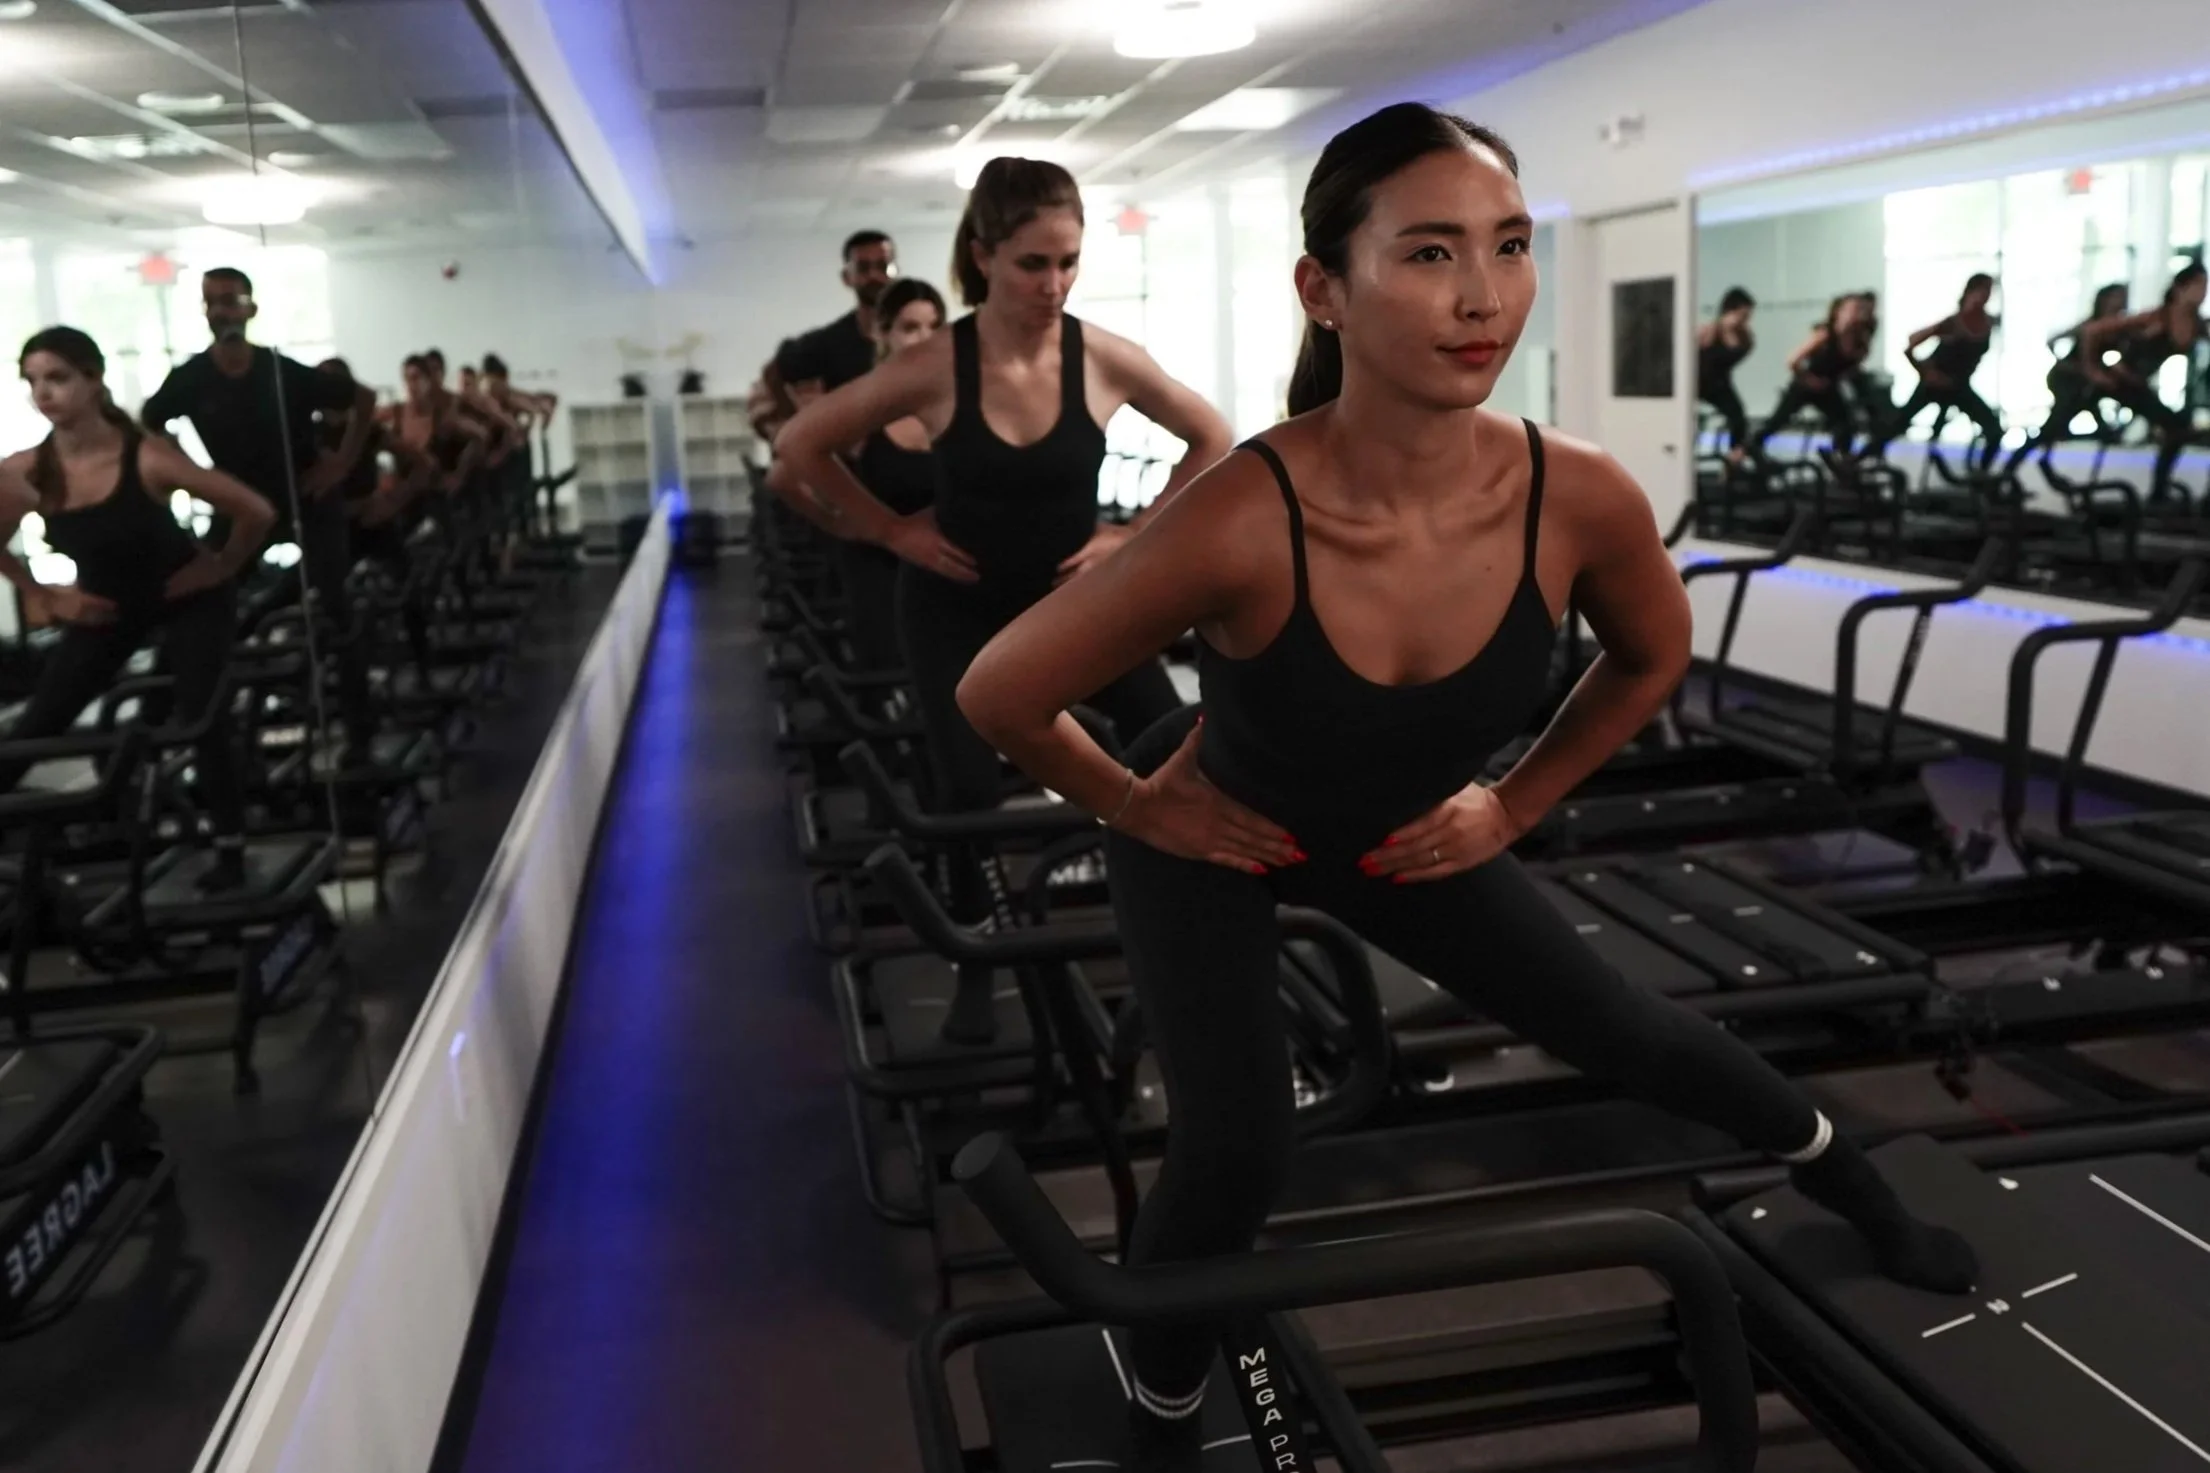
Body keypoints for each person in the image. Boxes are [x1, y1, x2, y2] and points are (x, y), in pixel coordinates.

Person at [950, 103, 1977, 1471]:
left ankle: (1861, 1190)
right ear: (1325, 288)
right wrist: (1137, 805)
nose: (1482, 295)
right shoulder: (1244, 510)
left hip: (1404, 838)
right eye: (1429, 253)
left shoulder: (1575, 494)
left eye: (1508, 246)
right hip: (1214, 837)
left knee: (1635, 1033)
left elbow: (1648, 656)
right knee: (1236, 1150)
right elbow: (999, 692)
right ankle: (1161, 1415)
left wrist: (1514, 802)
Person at [774, 159, 1233, 1044]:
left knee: (1176, 742)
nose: (1054, 284)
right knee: (966, 790)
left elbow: (1212, 435)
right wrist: (889, 531)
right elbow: (801, 445)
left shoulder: (1101, 356)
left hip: (1073, 608)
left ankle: (1186, 927)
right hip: (955, 606)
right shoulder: (936, 364)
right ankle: (977, 961)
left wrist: (1133, 536)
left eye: (1068, 262)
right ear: (983, 257)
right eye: (1032, 264)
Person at [2, 328, 276, 888]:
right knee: (38, 725)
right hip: (105, 608)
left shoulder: (146, 456)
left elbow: (256, 511)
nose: (43, 393)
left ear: (94, 380)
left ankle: (230, 848)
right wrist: (46, 594)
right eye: (32, 381)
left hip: (187, 599)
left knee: (201, 717)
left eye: (57, 378)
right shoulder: (27, 469)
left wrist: (220, 566)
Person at [142, 266, 380, 748]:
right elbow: (149, 423)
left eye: (230, 300)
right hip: (241, 507)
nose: (221, 311)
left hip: (305, 499)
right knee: (198, 596)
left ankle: (361, 730)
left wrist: (340, 463)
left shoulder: (280, 370)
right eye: (212, 301)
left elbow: (363, 398)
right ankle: (159, 724)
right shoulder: (190, 378)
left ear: (250, 308)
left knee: (335, 605)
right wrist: (197, 476)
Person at [769, 277, 947, 673]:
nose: (924, 338)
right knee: (896, 678)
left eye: (934, 326)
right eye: (910, 327)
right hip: (882, 577)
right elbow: (783, 473)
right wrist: (846, 525)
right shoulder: (867, 405)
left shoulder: (955, 403)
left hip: (946, 575)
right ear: (884, 334)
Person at [754, 230, 901, 441]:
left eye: (883, 266)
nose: (874, 276)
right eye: (863, 268)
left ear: (896, 271)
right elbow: (774, 370)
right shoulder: (830, 342)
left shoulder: (918, 336)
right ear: (847, 277)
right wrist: (795, 420)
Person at [2080, 263, 2206, 502]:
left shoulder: (2196, 324)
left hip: (2137, 386)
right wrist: (2092, 370)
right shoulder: (2157, 317)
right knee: (2177, 427)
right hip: (2118, 383)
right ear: (2180, 288)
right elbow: (2091, 330)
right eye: (2198, 285)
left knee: (2179, 427)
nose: (2203, 293)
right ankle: (2158, 493)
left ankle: (2160, 490)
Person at [1868, 272, 2003, 468]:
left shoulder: (1988, 323)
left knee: (1994, 430)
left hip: (1959, 387)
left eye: (1989, 290)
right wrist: (1926, 372)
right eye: (1982, 289)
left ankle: (1982, 473)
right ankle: (1859, 461)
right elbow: (1911, 343)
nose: (1985, 295)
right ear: (1970, 291)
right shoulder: (1953, 322)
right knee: (1896, 425)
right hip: (1934, 386)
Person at [1752, 293, 1873, 458]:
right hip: (1805, 385)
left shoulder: (1859, 339)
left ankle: (1840, 458)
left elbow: (1853, 365)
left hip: (1827, 387)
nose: (1856, 314)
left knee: (1846, 423)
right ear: (1839, 312)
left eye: (1858, 310)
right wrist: (1809, 379)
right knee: (1777, 422)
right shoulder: (1825, 333)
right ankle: (1746, 450)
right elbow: (1793, 360)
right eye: (1852, 309)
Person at [1695, 287, 1756, 458]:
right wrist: (1716, 330)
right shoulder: (1708, 331)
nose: (1745, 321)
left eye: (1747, 317)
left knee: (1738, 416)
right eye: (1742, 316)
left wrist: (1729, 331)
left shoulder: (1745, 337)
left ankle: (1734, 457)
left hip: (1720, 384)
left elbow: (1735, 354)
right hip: (1699, 381)